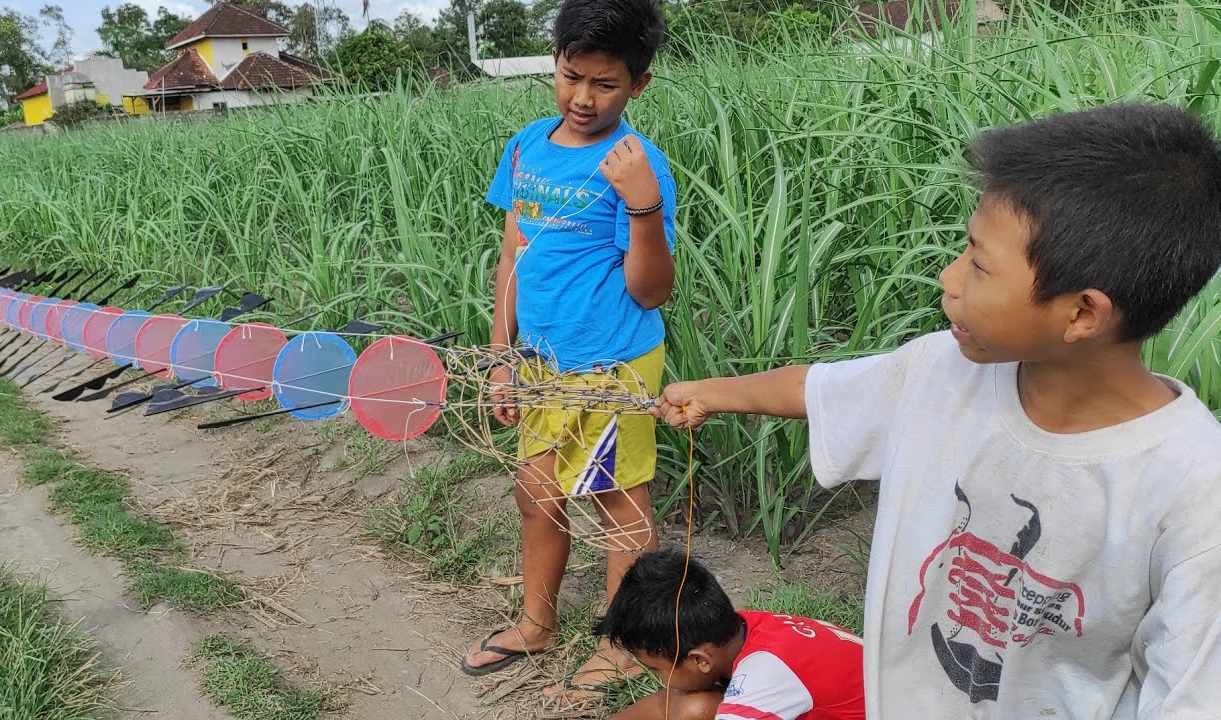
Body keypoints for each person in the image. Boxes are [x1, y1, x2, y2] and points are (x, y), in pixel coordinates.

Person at [654, 102, 1221, 718]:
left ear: (1082, 313)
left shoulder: (1193, 492)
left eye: (978, 264)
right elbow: (817, 389)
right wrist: (712, 393)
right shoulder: (939, 371)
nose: (948, 279)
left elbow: (1186, 696)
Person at [460, 0, 679, 706]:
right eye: (570, 76)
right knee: (536, 493)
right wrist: (500, 356)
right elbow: (513, 255)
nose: (583, 98)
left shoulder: (638, 165)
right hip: (540, 364)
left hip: (613, 362)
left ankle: (622, 645)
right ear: (553, 65)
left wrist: (642, 205)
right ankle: (536, 624)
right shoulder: (527, 147)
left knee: (619, 503)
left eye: (605, 84)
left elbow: (652, 291)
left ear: (638, 84)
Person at [594, 549, 865, 720]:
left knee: (694, 708)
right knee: (689, 704)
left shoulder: (764, 675)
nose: (661, 680)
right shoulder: (742, 629)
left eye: (656, 670)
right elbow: (666, 705)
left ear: (700, 660)